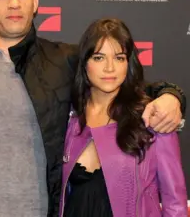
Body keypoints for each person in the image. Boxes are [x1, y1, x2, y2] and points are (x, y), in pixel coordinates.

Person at [0, 0, 185, 217]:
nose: (14, 3)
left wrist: (171, 95)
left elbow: (117, 80)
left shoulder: (62, 60)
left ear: (35, 3)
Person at [60, 18, 187, 216]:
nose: (110, 67)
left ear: (129, 63)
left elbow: (175, 203)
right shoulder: (69, 119)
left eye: (119, 57)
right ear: (85, 63)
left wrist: (172, 95)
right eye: (99, 57)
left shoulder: (151, 118)